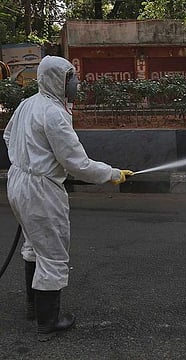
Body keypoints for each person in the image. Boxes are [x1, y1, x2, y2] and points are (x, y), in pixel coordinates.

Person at [3, 55, 134, 341]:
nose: (75, 82)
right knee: (52, 251)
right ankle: (48, 321)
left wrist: (26, 160)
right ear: (55, 80)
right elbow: (77, 163)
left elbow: (8, 135)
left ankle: (34, 308)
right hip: (40, 189)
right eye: (70, 77)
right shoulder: (53, 114)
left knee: (34, 245)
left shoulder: (28, 103)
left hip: (19, 181)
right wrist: (111, 174)